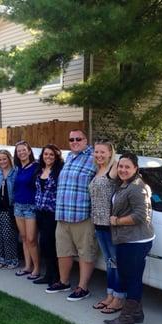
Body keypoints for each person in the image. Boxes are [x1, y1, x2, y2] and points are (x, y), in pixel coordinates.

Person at [46, 129, 97, 301]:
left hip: (82, 215)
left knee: (85, 253)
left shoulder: (94, 158)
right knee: (63, 251)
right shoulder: (69, 156)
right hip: (62, 215)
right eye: (71, 139)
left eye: (78, 139)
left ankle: (82, 288)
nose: (74, 141)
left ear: (86, 140)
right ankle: (64, 281)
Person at [104, 153, 155, 324]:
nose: (123, 170)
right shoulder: (125, 184)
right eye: (121, 166)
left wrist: (117, 221)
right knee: (130, 276)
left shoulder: (136, 187)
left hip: (135, 240)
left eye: (127, 167)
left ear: (135, 169)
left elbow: (141, 215)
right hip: (128, 239)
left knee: (131, 278)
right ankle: (137, 313)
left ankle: (126, 317)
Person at [89, 141, 126, 314]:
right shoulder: (98, 170)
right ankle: (110, 295)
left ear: (110, 153)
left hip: (111, 224)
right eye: (96, 152)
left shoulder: (114, 168)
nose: (99, 155)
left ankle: (119, 298)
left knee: (117, 263)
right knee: (109, 262)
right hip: (98, 223)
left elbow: (129, 181)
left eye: (103, 152)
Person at [33, 144, 64, 286]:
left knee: (51, 245)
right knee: (44, 244)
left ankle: (56, 276)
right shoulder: (40, 170)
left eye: (52, 154)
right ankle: (48, 274)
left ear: (56, 157)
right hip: (40, 211)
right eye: (46, 154)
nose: (48, 157)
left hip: (52, 214)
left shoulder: (59, 172)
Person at [12, 141, 40, 279]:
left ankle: (37, 268)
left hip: (31, 207)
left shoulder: (36, 167)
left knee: (31, 239)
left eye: (24, 150)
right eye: (19, 151)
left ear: (29, 151)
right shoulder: (18, 168)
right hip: (18, 206)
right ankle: (27, 266)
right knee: (23, 238)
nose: (21, 153)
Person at [0, 150, 19, 269]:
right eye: (0, 159)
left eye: (4, 159)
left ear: (9, 158)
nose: (2, 161)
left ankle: (11, 259)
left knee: (9, 235)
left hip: (9, 208)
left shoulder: (16, 172)